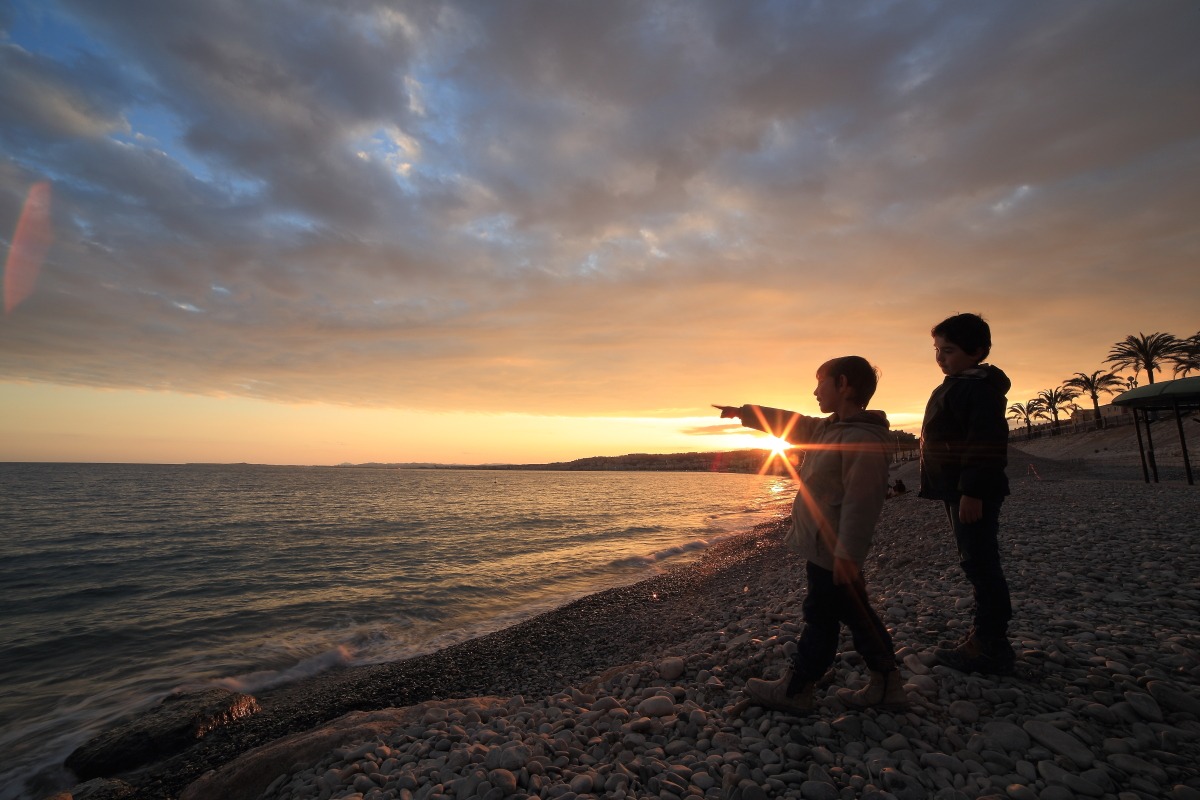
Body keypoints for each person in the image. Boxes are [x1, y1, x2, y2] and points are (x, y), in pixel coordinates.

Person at [715, 356, 907, 714]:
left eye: (821, 382)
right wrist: (745, 413)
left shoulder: (861, 439)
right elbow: (792, 423)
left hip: (834, 548)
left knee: (821, 614)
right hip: (826, 545)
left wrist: (848, 555)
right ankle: (887, 684)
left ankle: (797, 688)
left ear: (843, 385)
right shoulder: (829, 429)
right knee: (854, 611)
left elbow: (861, 503)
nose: (815, 390)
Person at [919, 313, 1016, 674]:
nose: (941, 358)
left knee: (980, 562)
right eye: (937, 350)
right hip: (957, 490)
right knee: (974, 559)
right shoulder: (960, 384)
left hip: (971, 492)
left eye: (949, 350)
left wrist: (972, 492)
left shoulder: (978, 389)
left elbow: (986, 444)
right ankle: (987, 639)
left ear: (978, 351)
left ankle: (990, 643)